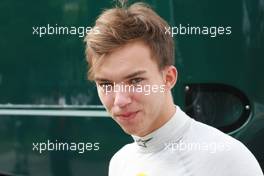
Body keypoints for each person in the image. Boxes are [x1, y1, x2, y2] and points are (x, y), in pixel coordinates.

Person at [84, 2, 263, 176]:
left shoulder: (227, 159)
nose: (119, 101)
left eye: (135, 80)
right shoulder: (120, 161)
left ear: (168, 78)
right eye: (106, 84)